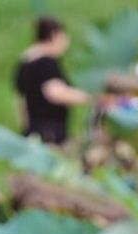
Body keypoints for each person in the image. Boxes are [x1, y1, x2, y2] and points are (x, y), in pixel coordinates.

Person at [15, 18, 91, 146]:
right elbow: (55, 92)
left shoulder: (25, 63)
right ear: (55, 36)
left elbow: (20, 102)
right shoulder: (46, 63)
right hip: (51, 133)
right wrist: (89, 97)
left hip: (33, 131)